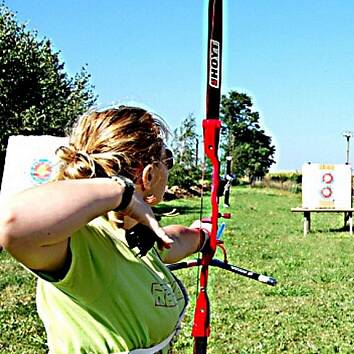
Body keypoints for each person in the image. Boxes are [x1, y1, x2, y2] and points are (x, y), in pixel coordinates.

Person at [0, 106, 208, 353]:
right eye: (167, 159)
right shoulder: (81, 242)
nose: (169, 168)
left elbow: (170, 242)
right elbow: (12, 222)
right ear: (149, 175)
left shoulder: (134, 235)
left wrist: (201, 235)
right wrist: (122, 193)